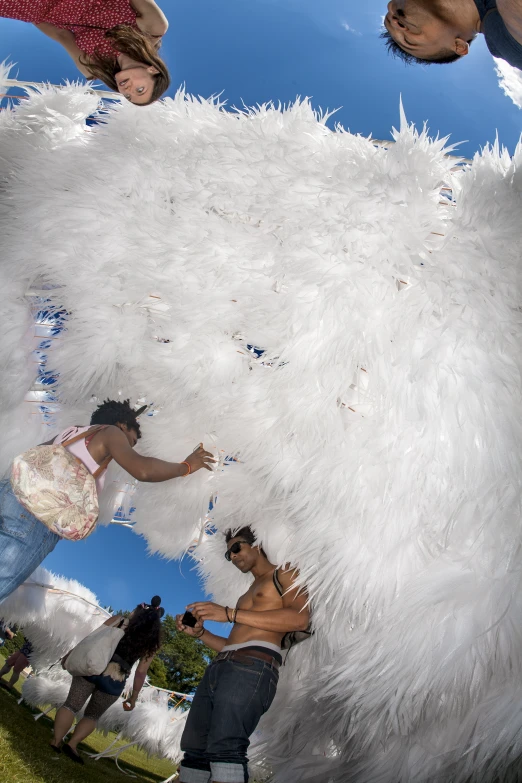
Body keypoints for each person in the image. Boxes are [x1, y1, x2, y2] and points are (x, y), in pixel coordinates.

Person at [0, 398, 216, 602]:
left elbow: (32, 458)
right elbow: (143, 470)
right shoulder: (111, 432)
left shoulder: (71, 433)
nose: (127, 448)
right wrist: (185, 467)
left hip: (10, 495)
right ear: (122, 425)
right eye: (130, 441)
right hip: (34, 517)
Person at [175, 526, 310, 783]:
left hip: (254, 666)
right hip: (221, 666)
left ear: (257, 543)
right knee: (195, 748)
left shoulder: (284, 572)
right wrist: (200, 634)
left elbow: (300, 618)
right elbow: (233, 643)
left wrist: (229, 614)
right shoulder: (245, 594)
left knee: (225, 747)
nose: (233, 556)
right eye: (228, 554)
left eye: (236, 548)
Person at [51, 595, 164, 763]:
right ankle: (73, 744)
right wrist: (133, 696)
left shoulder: (119, 620)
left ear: (139, 611)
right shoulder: (152, 642)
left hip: (92, 667)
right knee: (92, 716)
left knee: (71, 705)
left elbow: (91, 638)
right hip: (116, 679)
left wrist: (70, 654)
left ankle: (56, 741)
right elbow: (141, 672)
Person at [0, 0, 170, 104]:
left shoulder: (93, 68)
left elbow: (61, 35)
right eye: (140, 90)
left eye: (128, 96)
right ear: (153, 70)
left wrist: (31, 12)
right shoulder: (153, 29)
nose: (128, 91)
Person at [382, 1, 522, 70]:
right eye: (408, 41)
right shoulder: (503, 39)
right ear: (459, 46)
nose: (395, 22)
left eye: (390, 16)